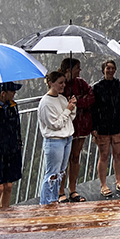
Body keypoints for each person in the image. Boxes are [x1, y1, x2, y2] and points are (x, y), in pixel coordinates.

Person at [92, 59, 120, 197]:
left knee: (117, 154)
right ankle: (103, 185)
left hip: (118, 125)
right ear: (103, 70)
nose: (110, 70)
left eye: (112, 68)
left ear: (115, 70)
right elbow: (94, 108)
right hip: (102, 126)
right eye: (107, 68)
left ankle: (118, 181)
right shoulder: (97, 87)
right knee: (103, 155)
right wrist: (94, 127)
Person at [58, 58, 94, 202]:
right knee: (63, 160)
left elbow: (91, 97)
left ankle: (72, 189)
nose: (80, 70)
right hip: (67, 126)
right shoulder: (61, 84)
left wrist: (78, 102)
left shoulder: (80, 83)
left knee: (75, 157)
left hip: (81, 125)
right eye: (77, 67)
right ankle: (61, 191)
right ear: (69, 70)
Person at [38, 71, 76, 205]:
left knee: (60, 172)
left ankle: (54, 200)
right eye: (60, 83)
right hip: (54, 140)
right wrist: (67, 110)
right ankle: (46, 203)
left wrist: (71, 107)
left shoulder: (62, 98)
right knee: (52, 174)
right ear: (50, 84)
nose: (63, 85)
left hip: (67, 138)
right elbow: (55, 125)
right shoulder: (46, 103)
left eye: (64, 82)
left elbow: (70, 118)